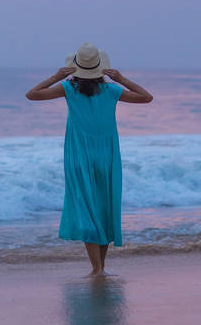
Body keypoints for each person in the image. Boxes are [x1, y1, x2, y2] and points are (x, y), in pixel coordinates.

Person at [25, 43, 153, 277]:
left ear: (75, 68)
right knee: (103, 209)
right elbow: (146, 97)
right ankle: (100, 268)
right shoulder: (112, 91)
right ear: (100, 68)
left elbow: (31, 94)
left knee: (87, 211)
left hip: (79, 157)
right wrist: (122, 79)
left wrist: (55, 76)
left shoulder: (67, 89)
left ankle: (97, 269)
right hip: (107, 157)